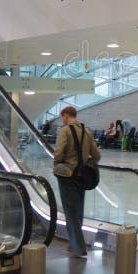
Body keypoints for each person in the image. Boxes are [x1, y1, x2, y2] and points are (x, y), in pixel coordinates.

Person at [53, 106, 101, 259]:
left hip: (68, 176)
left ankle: (78, 247)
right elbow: (97, 155)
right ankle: (74, 242)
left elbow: (59, 152)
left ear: (66, 116)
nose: (63, 120)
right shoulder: (87, 132)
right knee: (78, 211)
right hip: (82, 176)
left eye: (62, 117)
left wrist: (58, 163)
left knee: (70, 212)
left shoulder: (65, 131)